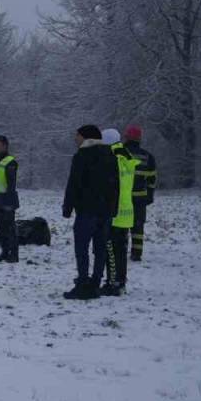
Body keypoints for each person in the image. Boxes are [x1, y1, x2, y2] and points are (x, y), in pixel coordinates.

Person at [62, 125, 119, 300]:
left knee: (82, 247)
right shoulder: (109, 155)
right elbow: (116, 185)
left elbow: (74, 183)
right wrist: (113, 207)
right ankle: (95, 283)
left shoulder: (82, 155)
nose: (75, 139)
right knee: (100, 248)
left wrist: (67, 207)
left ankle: (82, 283)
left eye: (77, 135)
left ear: (86, 137)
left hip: (86, 210)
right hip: (105, 211)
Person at [102, 128, 139, 297]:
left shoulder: (112, 159)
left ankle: (112, 283)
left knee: (110, 250)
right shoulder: (126, 157)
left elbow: (109, 187)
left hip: (113, 212)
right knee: (121, 251)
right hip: (126, 212)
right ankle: (121, 282)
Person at [122, 125, 156, 262]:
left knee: (121, 225)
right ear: (139, 138)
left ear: (126, 137)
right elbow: (152, 178)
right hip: (140, 197)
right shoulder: (148, 156)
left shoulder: (120, 154)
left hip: (122, 198)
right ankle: (136, 253)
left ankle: (121, 249)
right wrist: (149, 195)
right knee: (138, 226)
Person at [0, 135, 20, 263]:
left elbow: (11, 183)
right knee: (0, 228)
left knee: (10, 228)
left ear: (5, 146)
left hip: (7, 199)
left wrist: (8, 201)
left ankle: (13, 254)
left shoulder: (10, 162)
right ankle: (5, 252)